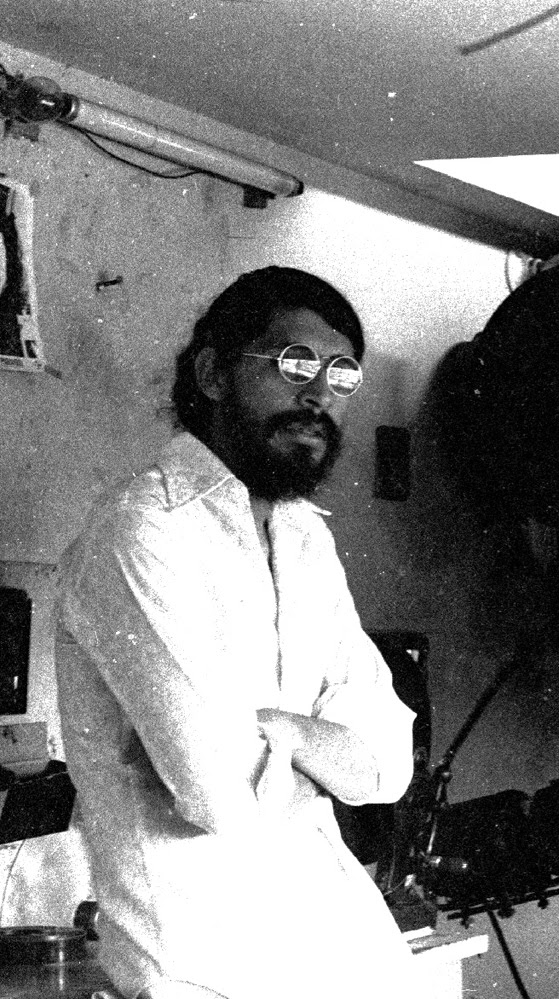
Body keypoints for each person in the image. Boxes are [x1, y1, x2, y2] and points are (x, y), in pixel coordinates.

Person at [57, 267, 416, 999]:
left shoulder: (305, 538)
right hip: (205, 973)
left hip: (343, 957)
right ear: (213, 374)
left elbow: (385, 766)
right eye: (294, 365)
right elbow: (217, 792)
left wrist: (279, 732)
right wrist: (319, 747)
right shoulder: (142, 531)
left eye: (341, 374)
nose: (320, 395)